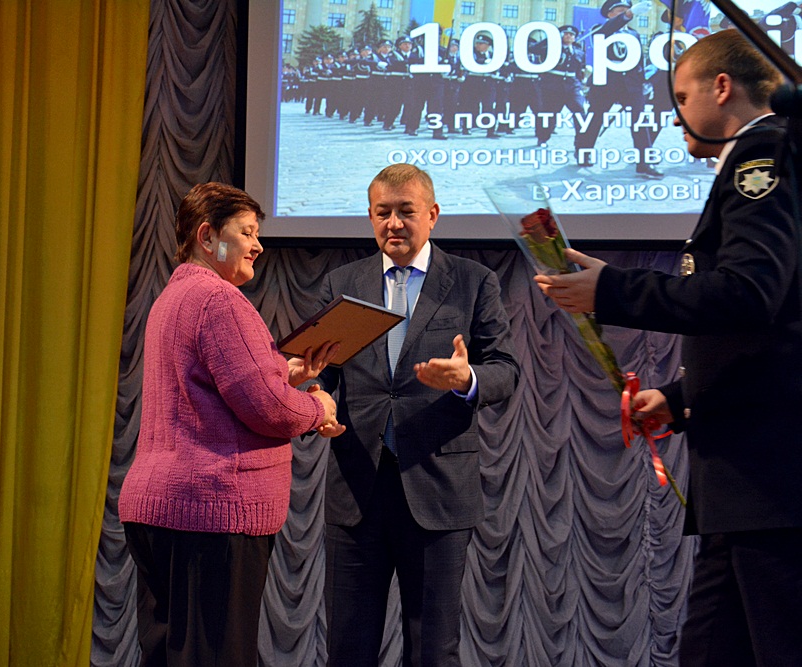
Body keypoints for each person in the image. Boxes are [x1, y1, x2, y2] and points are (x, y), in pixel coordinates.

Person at [534, 30, 802, 666]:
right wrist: (680, 400)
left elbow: (749, 294)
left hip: (768, 483)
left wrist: (611, 289)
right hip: (748, 484)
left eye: (681, 97)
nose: (674, 114)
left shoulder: (762, 154)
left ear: (721, 87)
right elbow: (770, 332)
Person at [118, 182, 343, 666]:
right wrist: (318, 408)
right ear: (207, 236)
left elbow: (210, 385)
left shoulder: (173, 297)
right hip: (211, 514)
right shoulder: (219, 299)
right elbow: (268, 407)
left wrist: (283, 372)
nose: (258, 245)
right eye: (247, 232)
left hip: (162, 510)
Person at [313, 164, 520, 666]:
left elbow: (506, 369)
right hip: (357, 490)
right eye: (382, 212)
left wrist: (467, 379)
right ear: (370, 216)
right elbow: (321, 370)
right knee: (347, 648)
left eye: (406, 211)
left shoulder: (472, 282)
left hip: (438, 490)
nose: (394, 223)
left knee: (432, 649)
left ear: (433, 214)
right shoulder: (342, 283)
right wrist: (316, 399)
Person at [574, 0, 662, 177]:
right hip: (606, 84)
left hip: (631, 86)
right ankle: (583, 150)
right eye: (620, 10)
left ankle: (644, 163)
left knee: (640, 122)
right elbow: (606, 32)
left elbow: (638, 60)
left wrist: (644, 81)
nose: (625, 13)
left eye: (627, 10)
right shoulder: (600, 29)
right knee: (594, 120)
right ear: (609, 14)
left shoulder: (634, 34)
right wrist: (628, 15)